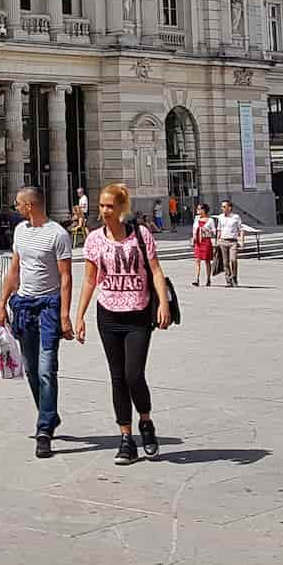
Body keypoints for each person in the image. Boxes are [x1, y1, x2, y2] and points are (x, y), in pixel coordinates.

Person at [73, 183, 172, 463]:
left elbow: (155, 271)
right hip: (108, 314)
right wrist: (79, 315)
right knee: (117, 378)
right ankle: (126, 438)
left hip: (138, 314)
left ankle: (146, 422)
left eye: (109, 206)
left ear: (121, 208)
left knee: (133, 375)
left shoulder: (140, 235)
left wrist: (163, 303)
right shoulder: (93, 239)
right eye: (101, 206)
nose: (104, 211)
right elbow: (90, 280)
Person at [0, 184, 73, 458]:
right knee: (30, 368)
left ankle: (43, 430)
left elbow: (65, 277)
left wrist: (65, 315)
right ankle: (49, 413)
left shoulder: (58, 235)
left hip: (49, 306)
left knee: (46, 368)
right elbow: (14, 269)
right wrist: (2, 303)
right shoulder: (20, 231)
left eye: (18, 203)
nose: (15, 207)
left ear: (30, 205)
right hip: (25, 305)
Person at [215, 199, 244, 287]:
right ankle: (228, 279)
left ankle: (234, 276)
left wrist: (242, 241)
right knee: (225, 262)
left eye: (224, 206)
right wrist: (217, 241)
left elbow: (241, 229)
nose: (222, 208)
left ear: (229, 207)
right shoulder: (220, 217)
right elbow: (219, 230)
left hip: (233, 241)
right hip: (223, 241)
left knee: (233, 259)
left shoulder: (236, 217)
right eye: (222, 206)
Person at [190, 203, 216, 287]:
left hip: (206, 241)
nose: (197, 210)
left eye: (199, 209)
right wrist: (193, 238)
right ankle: (196, 279)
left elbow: (214, 231)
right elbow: (194, 229)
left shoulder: (210, 220)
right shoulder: (196, 218)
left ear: (204, 210)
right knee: (197, 260)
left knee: (207, 261)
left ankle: (208, 279)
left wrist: (207, 231)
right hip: (198, 241)